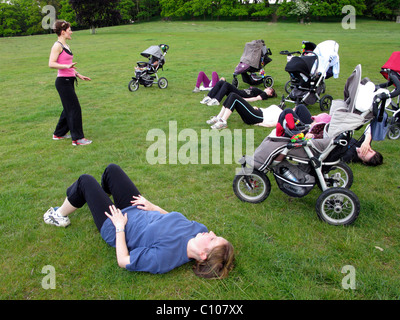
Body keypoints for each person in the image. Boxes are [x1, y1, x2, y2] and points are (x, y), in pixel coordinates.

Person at [43, 164, 235, 279]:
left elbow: (123, 260)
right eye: (215, 235)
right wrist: (153, 206)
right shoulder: (199, 229)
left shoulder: (166, 258)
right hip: (139, 209)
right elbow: (173, 219)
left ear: (203, 255)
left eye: (212, 240)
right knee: (112, 170)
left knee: (85, 181)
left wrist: (119, 228)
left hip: (117, 224)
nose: (210, 233)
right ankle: (93, 197)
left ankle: (58, 215)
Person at [48, 20, 92, 146]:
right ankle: (77, 139)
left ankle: (59, 133)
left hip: (69, 80)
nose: (71, 32)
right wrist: (66, 66)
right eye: (69, 30)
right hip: (63, 82)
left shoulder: (66, 45)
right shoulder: (57, 46)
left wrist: (78, 75)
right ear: (62, 32)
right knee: (74, 108)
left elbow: (69, 66)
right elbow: (51, 63)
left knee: (68, 108)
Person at [206, 92, 282, 130]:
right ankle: (219, 117)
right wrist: (257, 107)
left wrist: (259, 124)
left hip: (257, 117)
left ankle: (223, 122)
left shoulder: (284, 114)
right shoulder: (276, 107)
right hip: (257, 113)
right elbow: (266, 110)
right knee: (231, 95)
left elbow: (274, 124)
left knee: (234, 96)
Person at [200, 79, 277, 106]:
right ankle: (209, 97)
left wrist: (243, 99)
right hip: (239, 92)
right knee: (221, 82)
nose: (268, 88)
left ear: (270, 93)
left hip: (239, 94)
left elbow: (256, 98)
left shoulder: (264, 95)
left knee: (226, 84)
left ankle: (216, 100)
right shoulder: (261, 91)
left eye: (270, 89)